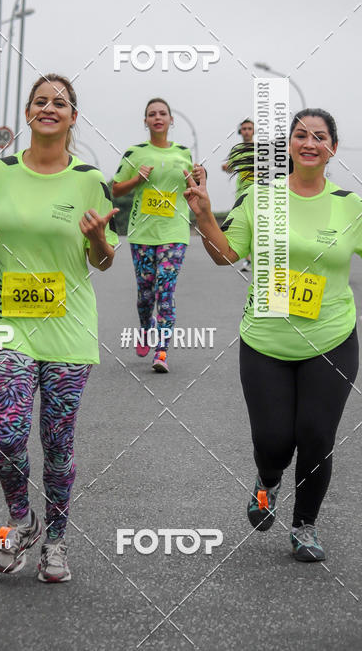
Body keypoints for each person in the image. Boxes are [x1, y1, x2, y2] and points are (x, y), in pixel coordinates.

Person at [185, 109, 360, 562]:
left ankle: (305, 525)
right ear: (289, 146)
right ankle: (267, 482)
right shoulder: (260, 199)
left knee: (317, 434)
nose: (309, 142)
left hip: (331, 338)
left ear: (332, 149)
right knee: (274, 440)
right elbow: (227, 255)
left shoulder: (350, 205)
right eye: (300, 134)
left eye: (319, 136)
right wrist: (205, 217)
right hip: (266, 341)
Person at [0, 73, 118, 582]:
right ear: (29, 112)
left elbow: (103, 262)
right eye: (40, 101)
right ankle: (20, 519)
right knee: (8, 437)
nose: (49, 108)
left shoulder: (91, 181)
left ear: (73, 117)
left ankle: (56, 541)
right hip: (10, 325)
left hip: (69, 330)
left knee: (57, 442)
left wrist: (98, 239)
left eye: (60, 103)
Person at [112, 98, 193, 372]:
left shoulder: (184, 153)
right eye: (151, 114)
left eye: (162, 113)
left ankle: (161, 352)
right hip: (143, 233)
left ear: (172, 120)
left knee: (165, 291)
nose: (157, 117)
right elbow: (115, 190)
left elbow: (192, 189)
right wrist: (137, 180)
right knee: (145, 294)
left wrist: (199, 179)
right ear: (145, 121)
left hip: (175, 231)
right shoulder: (134, 153)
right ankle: (146, 328)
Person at [222, 119, 255, 273]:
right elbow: (230, 168)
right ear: (240, 132)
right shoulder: (237, 150)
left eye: (249, 128)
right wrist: (226, 167)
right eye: (244, 129)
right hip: (242, 194)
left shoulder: (261, 149)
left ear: (254, 131)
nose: (247, 131)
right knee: (247, 227)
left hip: (260, 193)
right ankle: (248, 260)